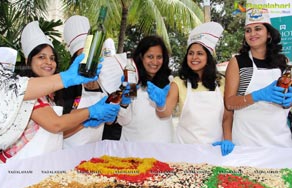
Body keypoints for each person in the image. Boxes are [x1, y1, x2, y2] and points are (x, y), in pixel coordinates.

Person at [0, 21, 120, 165]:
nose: (49, 62)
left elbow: (58, 134)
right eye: (41, 57)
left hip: (41, 164)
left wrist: (84, 123)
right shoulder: (26, 90)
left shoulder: (51, 95)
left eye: (52, 58)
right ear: (28, 60)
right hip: (16, 166)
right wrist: (91, 111)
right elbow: (55, 124)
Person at [153, 22, 234, 156]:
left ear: (208, 57)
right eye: (191, 53)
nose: (194, 57)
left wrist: (228, 139)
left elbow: (227, 117)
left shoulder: (222, 82)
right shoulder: (179, 82)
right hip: (184, 150)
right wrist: (160, 104)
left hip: (215, 149)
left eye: (199, 53)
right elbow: (164, 113)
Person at [224, 0, 292, 147]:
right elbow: (229, 104)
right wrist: (257, 95)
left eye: (258, 29)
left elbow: (286, 101)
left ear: (268, 34)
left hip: (280, 141)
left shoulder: (283, 62)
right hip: (247, 141)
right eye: (248, 30)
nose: (252, 34)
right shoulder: (238, 62)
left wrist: (289, 101)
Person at [62, 15, 110, 148]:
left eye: (92, 54)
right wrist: (87, 119)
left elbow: (111, 122)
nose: (89, 60)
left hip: (95, 155)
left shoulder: (104, 81)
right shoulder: (67, 86)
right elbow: (61, 130)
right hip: (69, 155)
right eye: (83, 55)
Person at [117, 35, 175, 143]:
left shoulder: (169, 82)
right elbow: (123, 121)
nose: (155, 62)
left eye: (159, 57)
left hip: (164, 146)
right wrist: (124, 103)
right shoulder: (132, 80)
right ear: (141, 56)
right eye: (150, 56)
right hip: (134, 149)